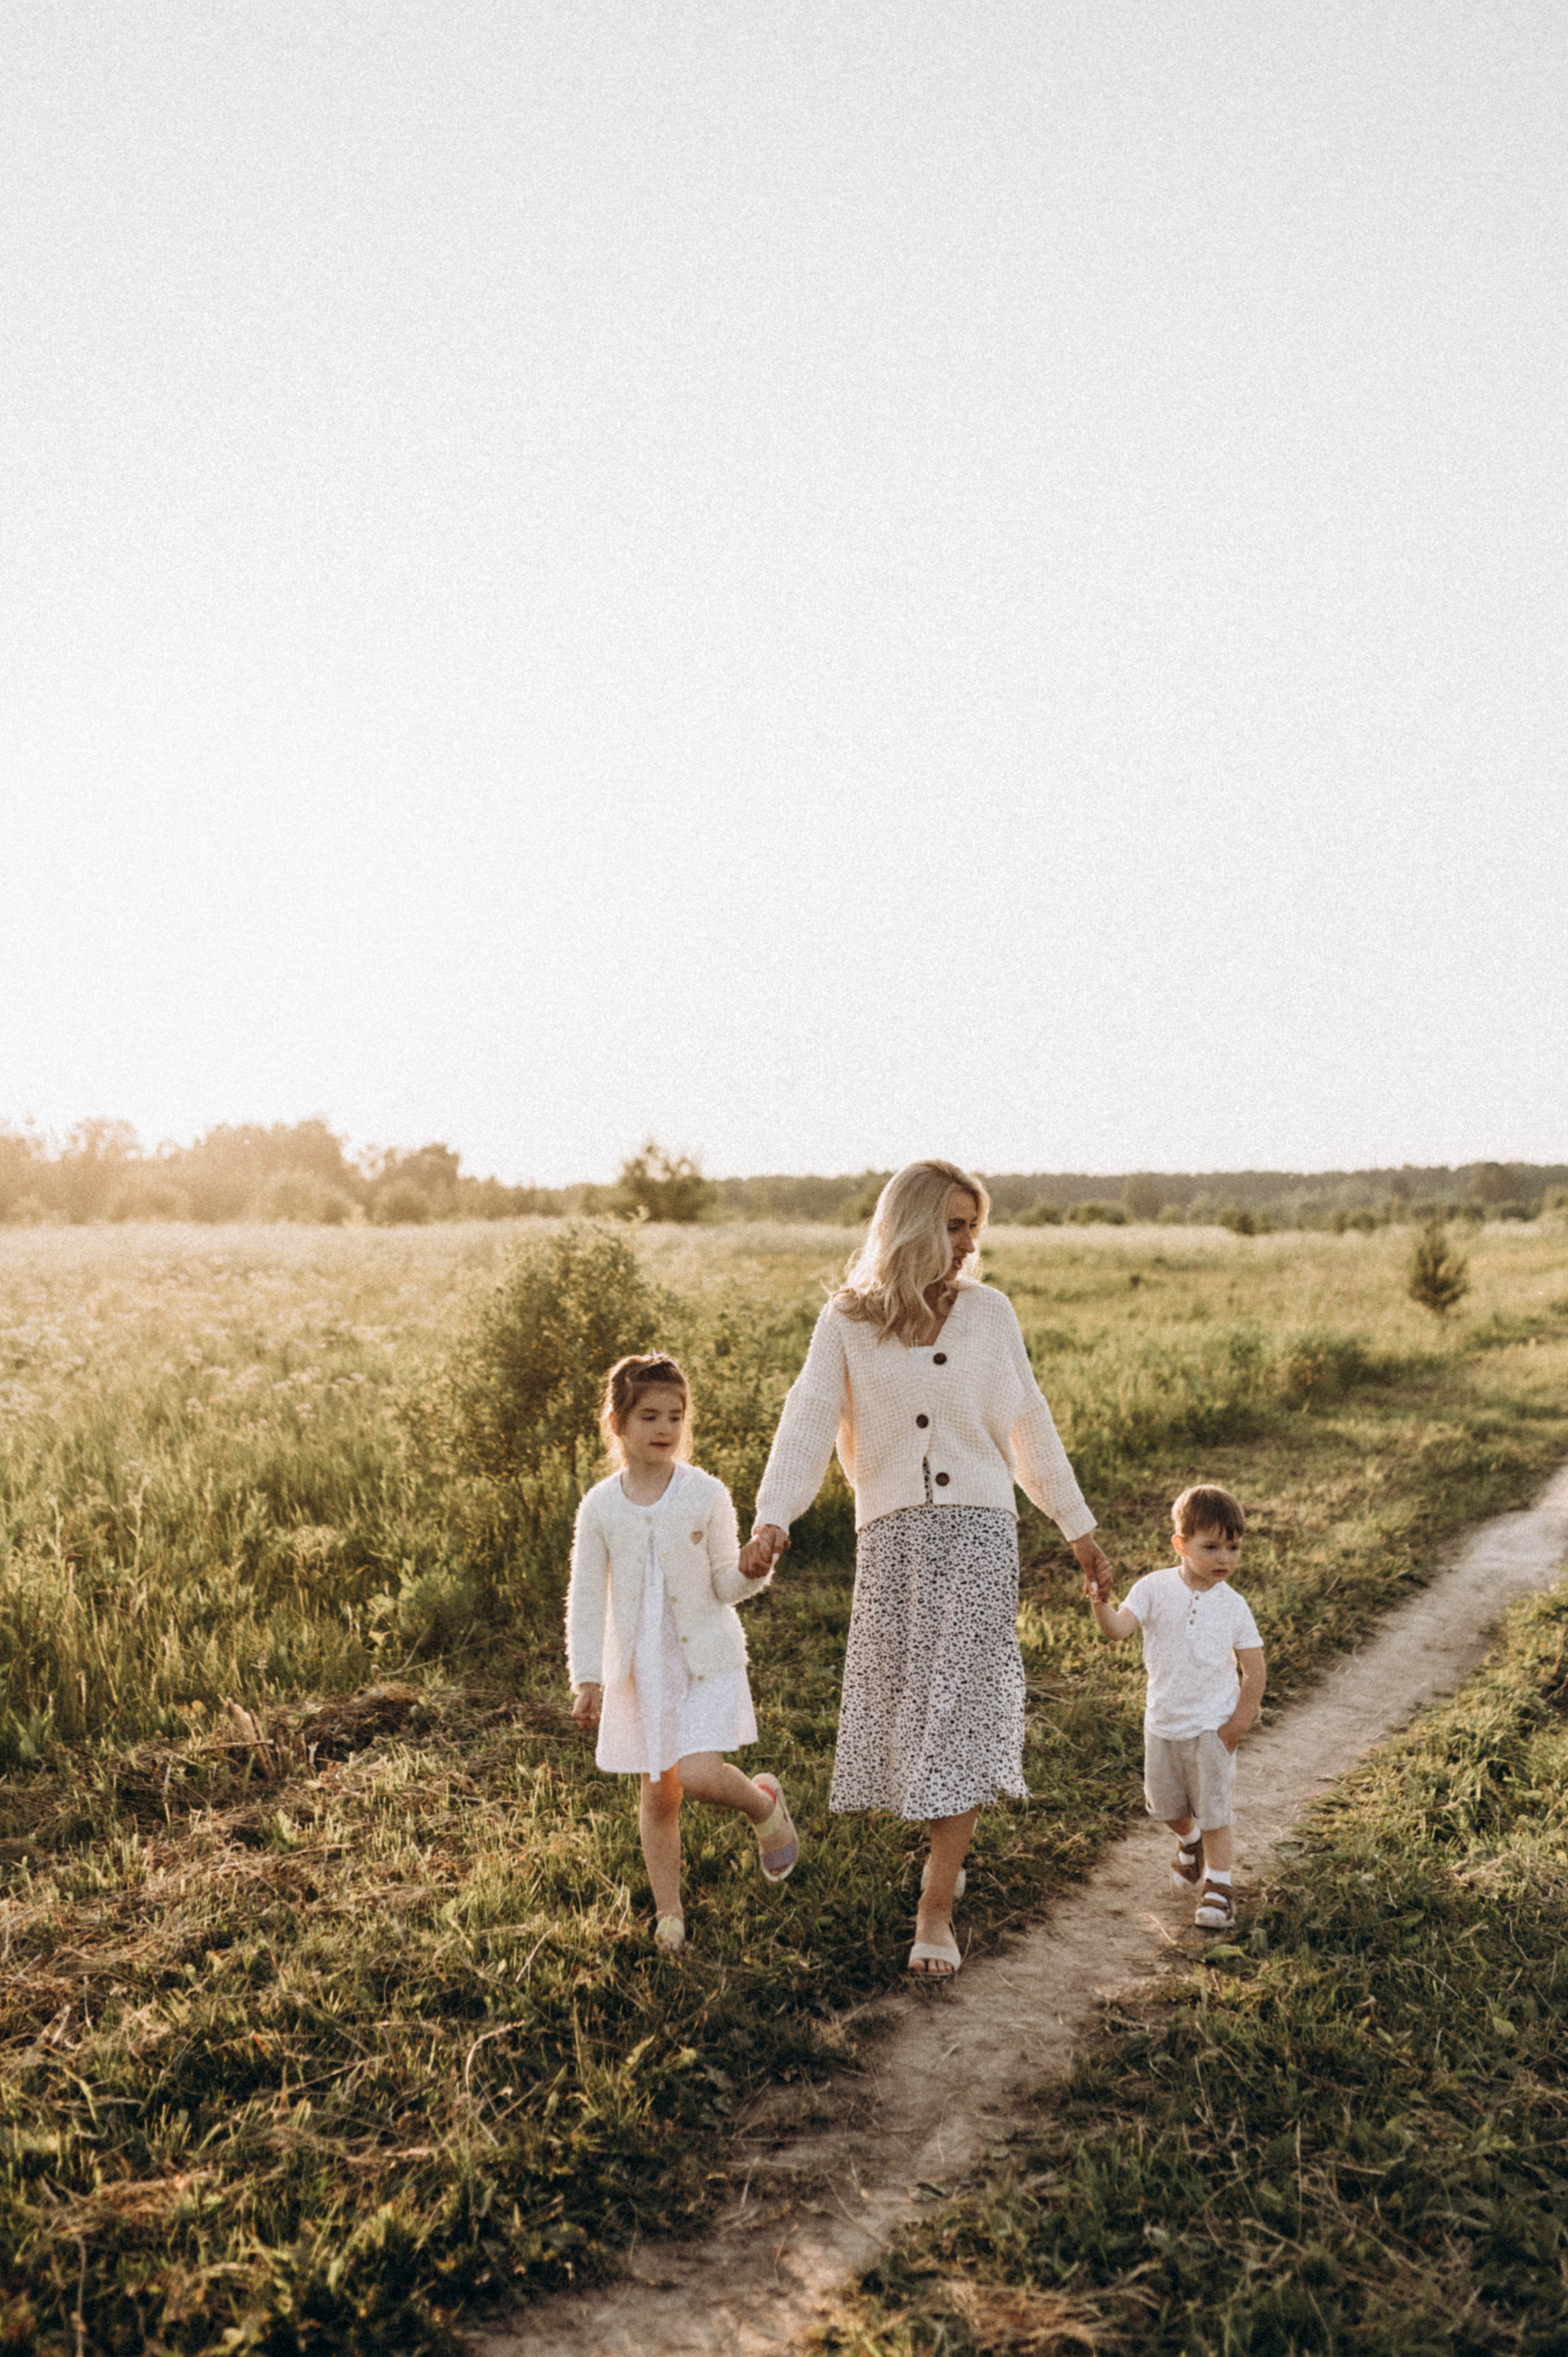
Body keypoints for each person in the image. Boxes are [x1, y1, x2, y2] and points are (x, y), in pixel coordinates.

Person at [739, 1159, 1112, 1978]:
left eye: (975, 1225)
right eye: (953, 1224)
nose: (969, 1242)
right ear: (909, 1225)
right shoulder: (846, 1320)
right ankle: (950, 1855)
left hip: (981, 1532)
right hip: (894, 1539)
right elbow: (806, 1419)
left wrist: (1077, 1527)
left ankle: (935, 1906)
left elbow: (1029, 1424)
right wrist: (774, 1515)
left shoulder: (991, 1313)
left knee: (960, 1709)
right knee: (912, 1709)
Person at [567, 1353, 799, 1955]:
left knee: (695, 1774)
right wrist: (588, 1677)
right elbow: (588, 1595)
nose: (665, 1427)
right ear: (616, 1423)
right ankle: (670, 1912)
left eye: (675, 1415)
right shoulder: (600, 1506)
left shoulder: (706, 1494)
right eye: (648, 1416)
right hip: (642, 1670)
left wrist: (753, 1568)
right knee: (659, 1792)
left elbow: (726, 1583)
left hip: (702, 1660)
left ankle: (761, 1805)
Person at [1084, 1483, 1266, 1931]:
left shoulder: (1234, 1606)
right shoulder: (1154, 1588)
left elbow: (1254, 1669)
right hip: (1163, 1721)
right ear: (1180, 1545)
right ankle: (1190, 1840)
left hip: (1213, 1727)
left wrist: (1236, 1725)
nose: (1225, 1557)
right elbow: (1118, 1630)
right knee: (1165, 1807)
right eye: (1211, 1546)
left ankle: (1219, 1887)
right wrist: (1100, 1603)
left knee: (1216, 1810)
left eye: (1234, 1546)